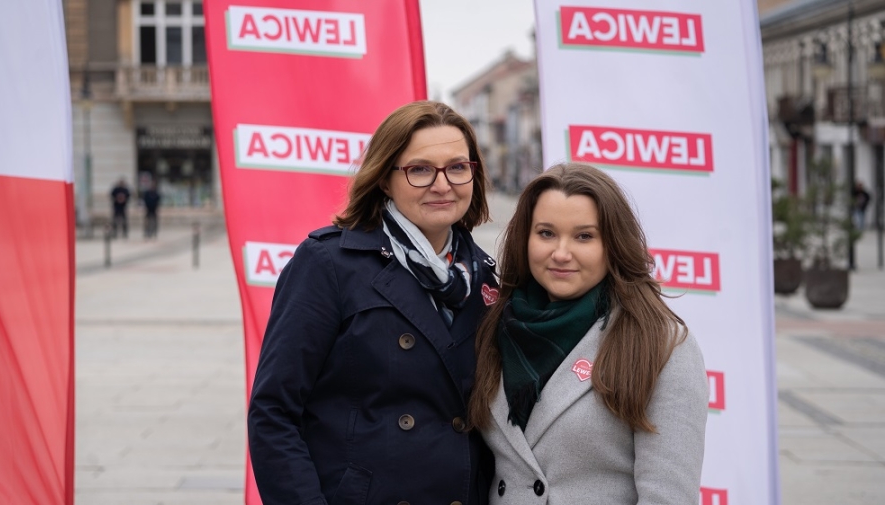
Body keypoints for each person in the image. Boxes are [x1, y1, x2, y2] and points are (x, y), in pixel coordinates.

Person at [248, 101, 498, 505]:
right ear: (384, 179)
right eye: (420, 170)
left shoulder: (484, 277)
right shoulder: (328, 263)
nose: (442, 185)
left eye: (457, 167)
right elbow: (273, 413)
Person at [468, 163, 708, 504]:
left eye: (584, 236)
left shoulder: (662, 344)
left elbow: (668, 497)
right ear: (525, 239)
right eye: (546, 233)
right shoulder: (496, 324)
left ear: (613, 244)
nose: (561, 253)